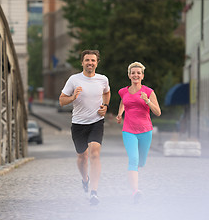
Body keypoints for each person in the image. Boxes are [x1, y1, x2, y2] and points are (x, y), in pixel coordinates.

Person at [59, 50, 110, 205]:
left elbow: (107, 93)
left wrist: (105, 106)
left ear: (97, 62)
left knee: (94, 153)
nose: (90, 63)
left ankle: (94, 192)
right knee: (82, 157)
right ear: (82, 62)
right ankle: (85, 179)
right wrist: (73, 97)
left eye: (93, 60)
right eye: (87, 60)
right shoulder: (74, 80)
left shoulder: (103, 79)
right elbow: (62, 101)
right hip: (78, 124)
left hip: (96, 122)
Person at [115, 61, 161, 204]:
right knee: (133, 160)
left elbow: (158, 112)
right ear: (129, 75)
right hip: (128, 131)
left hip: (146, 131)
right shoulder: (123, 91)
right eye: (133, 73)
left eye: (138, 73)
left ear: (142, 75)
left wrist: (147, 101)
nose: (136, 75)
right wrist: (120, 114)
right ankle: (135, 191)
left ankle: (134, 174)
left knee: (141, 161)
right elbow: (123, 101)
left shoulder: (148, 92)